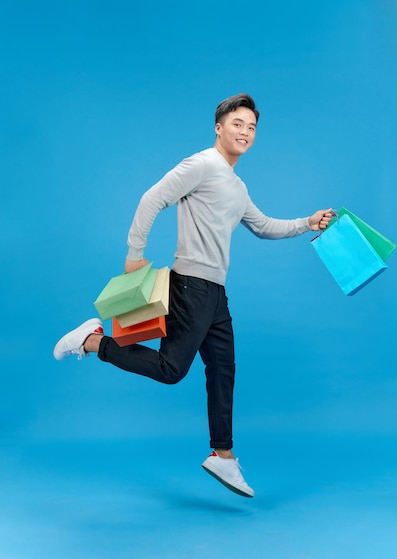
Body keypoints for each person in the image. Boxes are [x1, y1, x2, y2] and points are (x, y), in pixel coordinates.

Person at [53, 93, 333, 498]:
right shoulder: (202, 164)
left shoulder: (236, 185)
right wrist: (135, 254)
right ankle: (92, 341)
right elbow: (153, 198)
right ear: (219, 127)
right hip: (191, 286)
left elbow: (265, 225)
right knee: (171, 370)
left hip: (215, 293)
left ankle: (223, 455)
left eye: (251, 127)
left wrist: (307, 222)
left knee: (224, 370)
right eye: (237, 123)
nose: (245, 132)